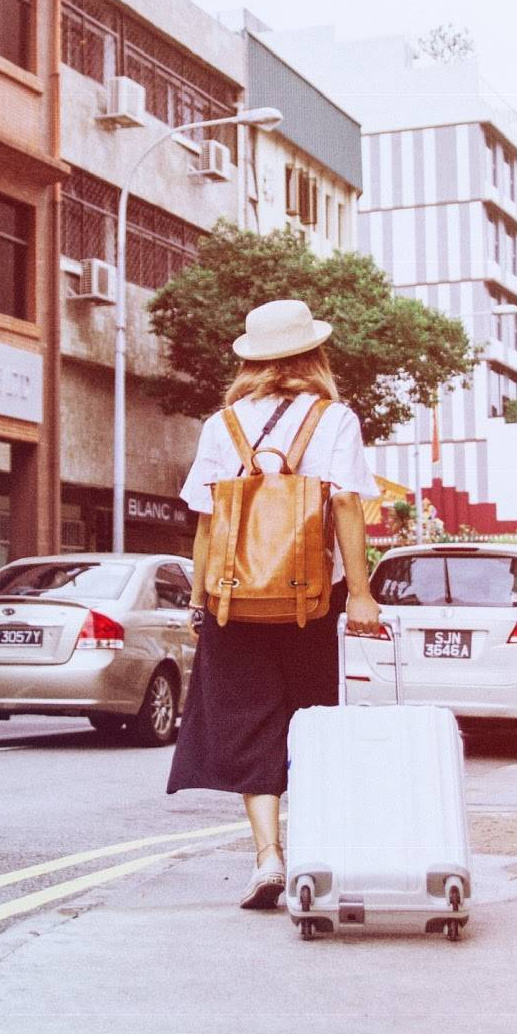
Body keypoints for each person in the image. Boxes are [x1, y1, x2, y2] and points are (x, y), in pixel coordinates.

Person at [166, 298, 382, 910]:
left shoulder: (223, 424)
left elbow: (207, 519)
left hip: (234, 598)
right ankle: (311, 849)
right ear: (313, 354)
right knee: (308, 720)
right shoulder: (333, 418)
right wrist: (361, 595)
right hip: (308, 599)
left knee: (246, 720)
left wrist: (202, 599)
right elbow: (344, 506)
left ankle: (267, 856)